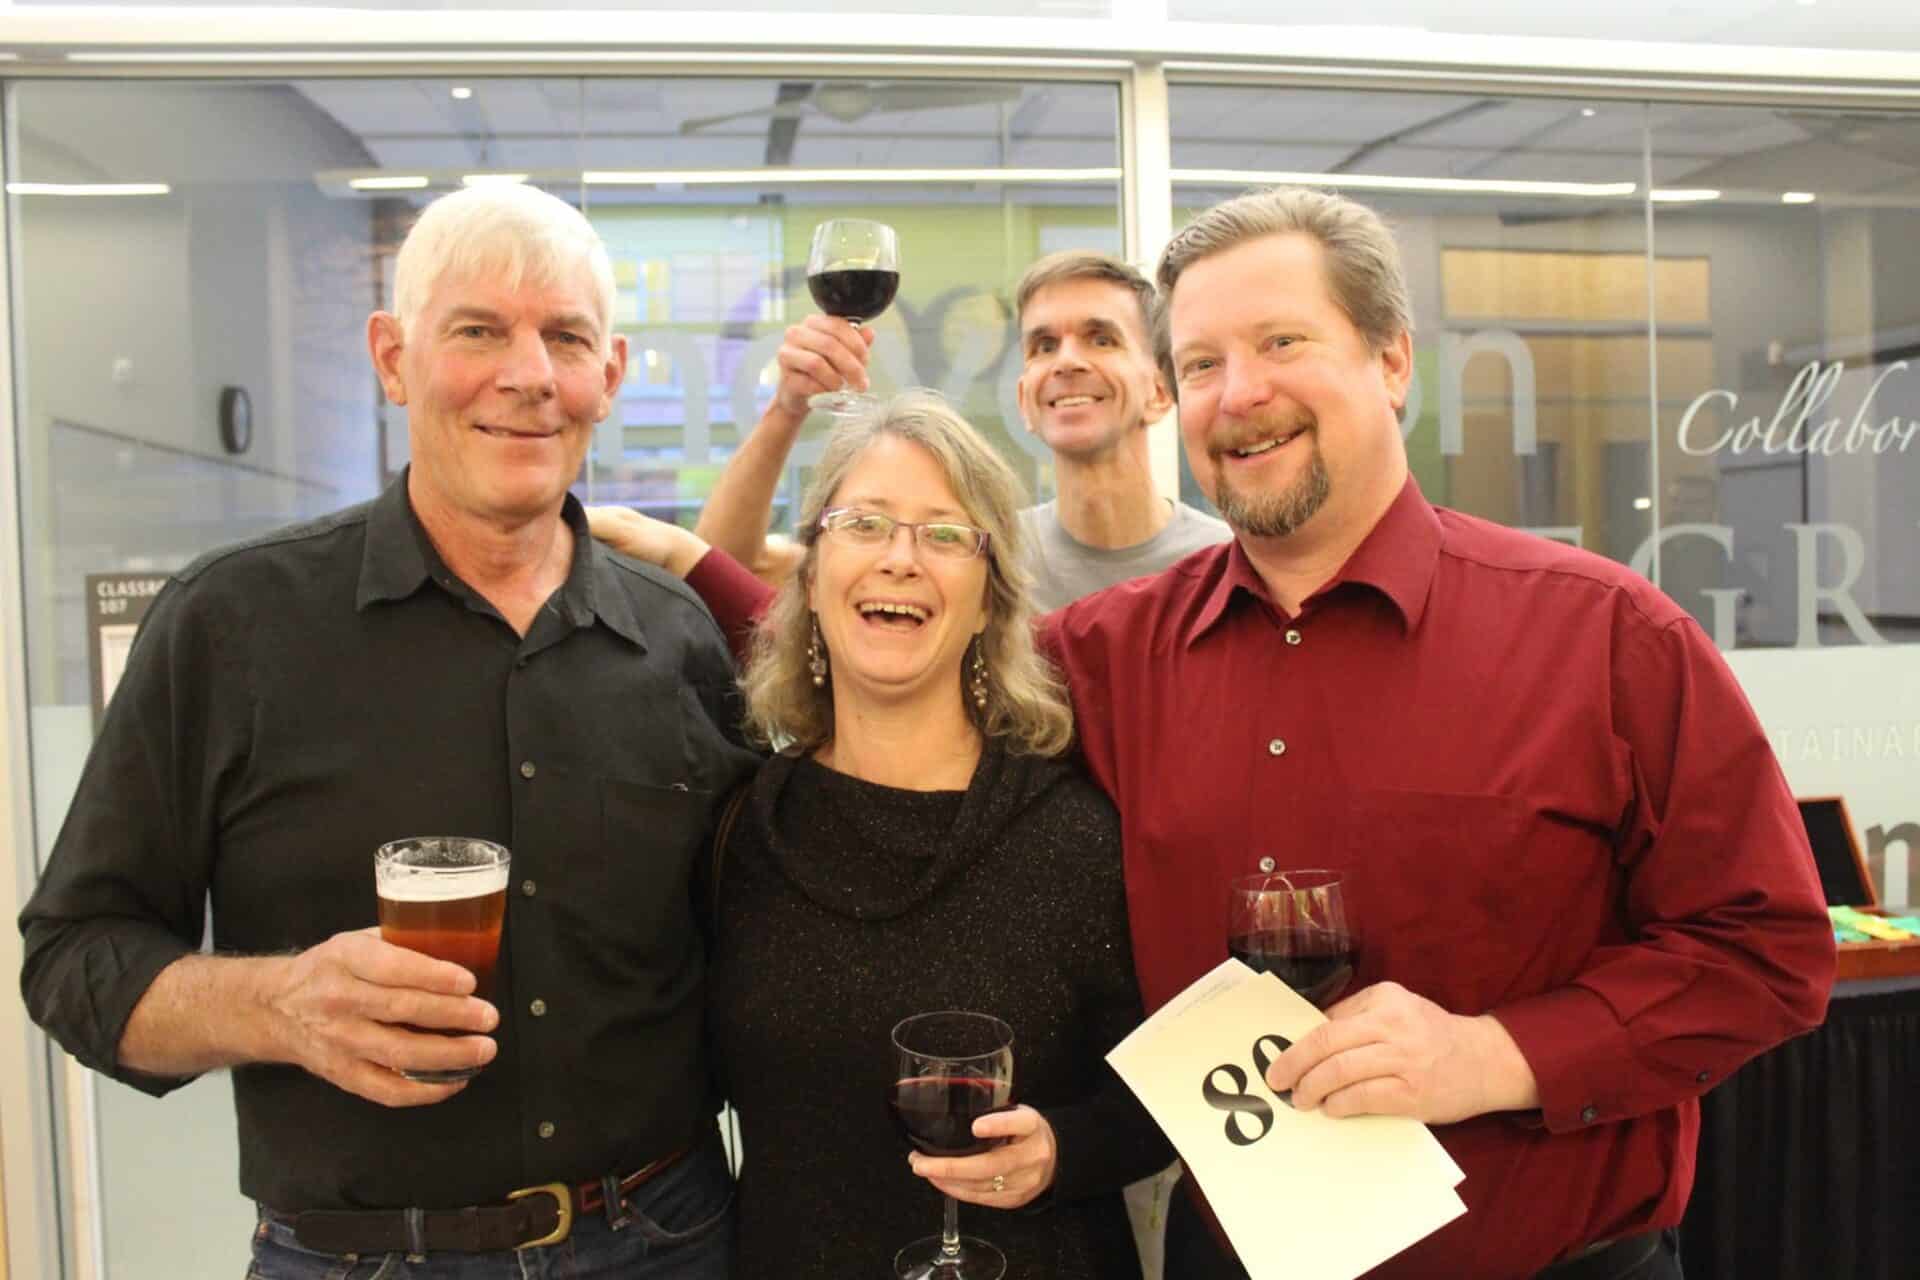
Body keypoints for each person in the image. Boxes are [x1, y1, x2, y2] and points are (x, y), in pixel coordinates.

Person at [627, 187, 1838, 1280]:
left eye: (1281, 343)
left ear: (1393, 358)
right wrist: (696, 559)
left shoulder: (1603, 633)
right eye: (1200, 361)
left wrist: (1498, 1052)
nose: (1239, 392)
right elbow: (902, 645)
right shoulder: (1107, 653)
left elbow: (1769, 950)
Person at [18, 183, 758, 1279]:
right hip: (357, 1258)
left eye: (564, 336)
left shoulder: (677, 639)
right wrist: (276, 1003)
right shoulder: (233, 624)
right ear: (392, 356)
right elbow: (74, 960)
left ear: (610, 373)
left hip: (669, 1241)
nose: (526, 374)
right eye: (476, 331)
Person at [589, 390, 1170, 1279]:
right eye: (865, 524)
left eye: (944, 535)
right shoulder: (739, 831)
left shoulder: (1076, 833)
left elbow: (1164, 1098)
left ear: (988, 604)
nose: (901, 559)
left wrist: (1065, 1150)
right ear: (812, 579)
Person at [695, 250, 1228, 608]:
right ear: (1025, 400)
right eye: (1043, 345)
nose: (1066, 361)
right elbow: (726, 567)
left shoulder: (1226, 566)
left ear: (1161, 392)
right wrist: (788, 407)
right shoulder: (976, 551)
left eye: (1101, 338)